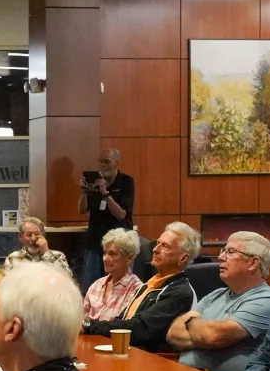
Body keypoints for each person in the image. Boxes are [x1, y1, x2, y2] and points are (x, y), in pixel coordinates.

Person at [166, 231, 270, 371]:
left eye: (231, 252)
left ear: (253, 263)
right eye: (223, 251)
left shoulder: (265, 301)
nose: (221, 257)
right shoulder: (215, 295)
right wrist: (205, 337)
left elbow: (214, 336)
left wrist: (191, 323)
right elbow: (174, 334)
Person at [81, 222, 197, 353]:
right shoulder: (150, 285)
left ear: (183, 258)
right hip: (130, 353)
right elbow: (121, 320)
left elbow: (139, 329)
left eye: (165, 246)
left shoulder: (179, 292)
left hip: (155, 362)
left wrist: (88, 325)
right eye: (158, 243)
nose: (155, 249)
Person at [78, 148, 135, 293]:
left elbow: (121, 214)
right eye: (101, 162)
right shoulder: (96, 183)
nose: (103, 165)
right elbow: (82, 210)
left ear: (116, 163)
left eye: (107, 162)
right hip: (96, 241)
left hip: (119, 243)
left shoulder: (126, 182)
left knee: (117, 287)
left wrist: (105, 193)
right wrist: (84, 193)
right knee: (91, 287)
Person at [82, 227, 143, 322]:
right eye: (105, 253)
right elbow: (83, 320)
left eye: (112, 254)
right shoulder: (96, 285)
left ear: (129, 258)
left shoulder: (136, 290)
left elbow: (125, 326)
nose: (105, 259)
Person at [3, 217, 71, 275]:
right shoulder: (12, 258)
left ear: (43, 235)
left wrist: (46, 253)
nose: (33, 238)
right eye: (29, 235)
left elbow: (67, 278)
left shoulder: (58, 256)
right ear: (21, 237)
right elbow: (6, 284)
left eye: (36, 234)